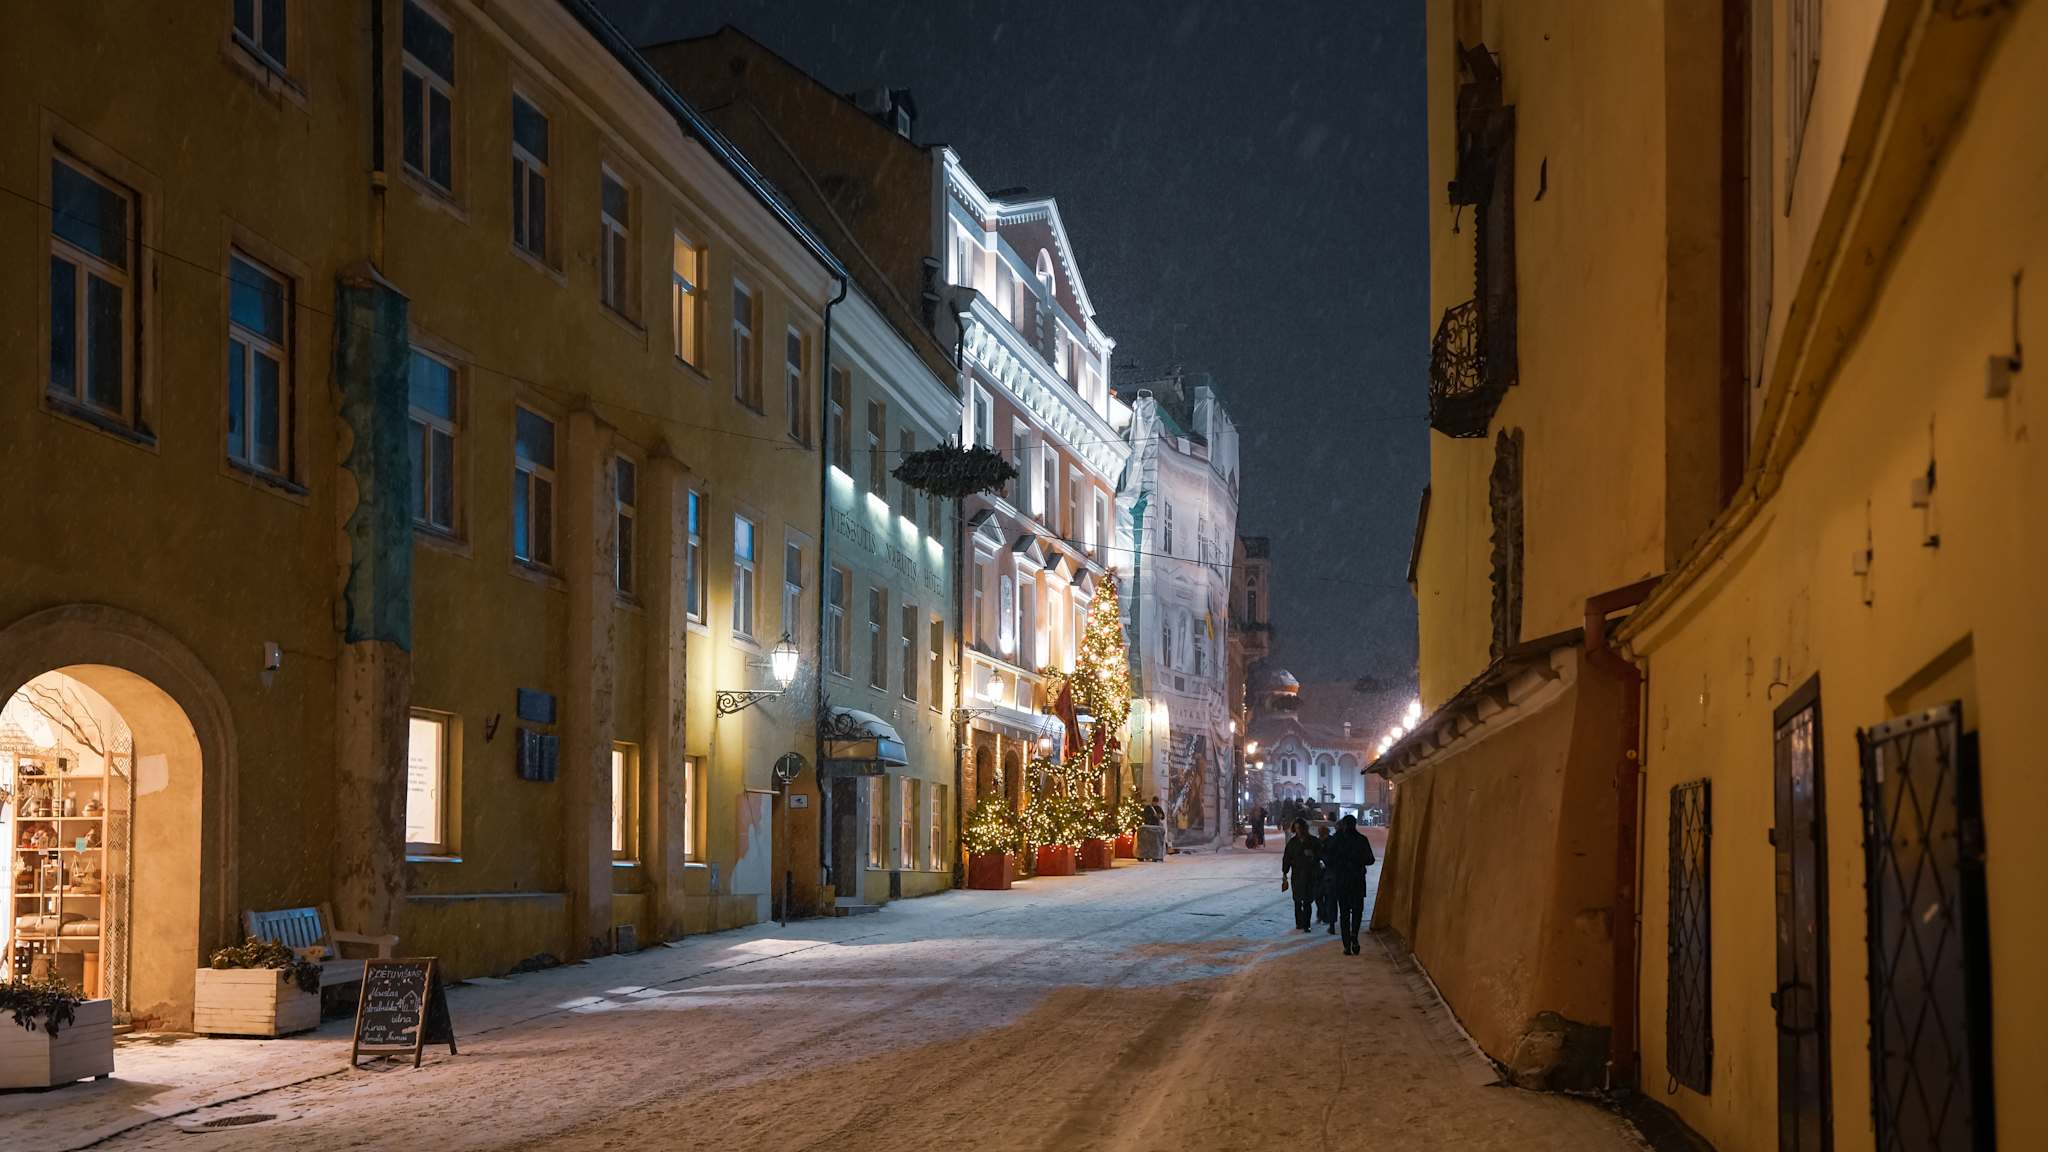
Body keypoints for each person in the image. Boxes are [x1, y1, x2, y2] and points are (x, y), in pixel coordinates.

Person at [1324, 814, 1378, 955]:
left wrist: (1338, 864)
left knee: (1345, 913)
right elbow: (1370, 859)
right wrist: (1357, 861)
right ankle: (1354, 935)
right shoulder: (1361, 840)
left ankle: (1347, 943)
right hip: (1357, 881)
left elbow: (1327, 859)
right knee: (1357, 911)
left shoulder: (1336, 840)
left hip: (1341, 881)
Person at [1280, 819, 1321, 932]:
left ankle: (1306, 923)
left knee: (1307, 900)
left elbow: (1321, 855)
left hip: (1310, 874)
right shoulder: (1292, 843)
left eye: (1300, 828)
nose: (1299, 831)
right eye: (1297, 828)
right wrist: (1284, 872)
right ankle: (1299, 922)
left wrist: (1313, 856)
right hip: (1297, 875)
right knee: (1297, 900)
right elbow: (1287, 858)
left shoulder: (1313, 841)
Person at [1314, 824, 1338, 934]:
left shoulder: (1331, 842)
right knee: (1319, 896)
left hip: (1328, 873)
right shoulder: (1318, 841)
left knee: (1328, 897)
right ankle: (1323, 914)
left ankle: (1326, 917)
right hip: (1320, 873)